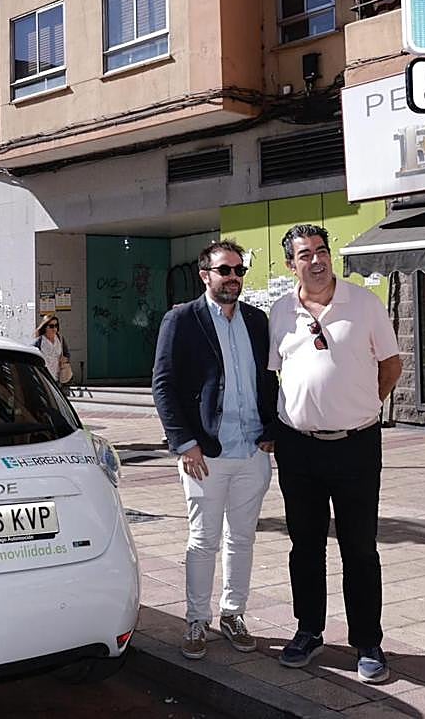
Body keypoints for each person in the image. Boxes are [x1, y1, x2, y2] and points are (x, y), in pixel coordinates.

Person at [267, 224, 402, 684]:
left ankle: (368, 642)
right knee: (304, 547)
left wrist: (364, 406)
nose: (317, 260)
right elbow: (276, 373)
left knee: (359, 548)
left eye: (322, 251)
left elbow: (391, 363)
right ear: (292, 265)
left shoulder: (363, 303)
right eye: (305, 255)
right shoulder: (279, 311)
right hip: (297, 449)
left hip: (356, 446)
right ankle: (308, 631)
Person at [152, 239, 278, 660]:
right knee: (203, 540)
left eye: (239, 271)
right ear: (205, 275)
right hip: (204, 455)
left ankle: (233, 614)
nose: (234, 279)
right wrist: (184, 443)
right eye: (225, 270)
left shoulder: (257, 322)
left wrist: (272, 431)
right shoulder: (182, 319)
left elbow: (271, 381)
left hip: (252, 453)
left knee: (241, 539)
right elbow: (164, 385)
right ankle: (194, 620)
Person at [31, 315, 72, 385]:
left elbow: (67, 354)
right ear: (45, 327)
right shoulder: (40, 341)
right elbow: (32, 356)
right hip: (45, 378)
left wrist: (65, 359)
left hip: (58, 378)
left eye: (56, 326)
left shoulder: (60, 338)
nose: (54, 329)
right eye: (51, 326)